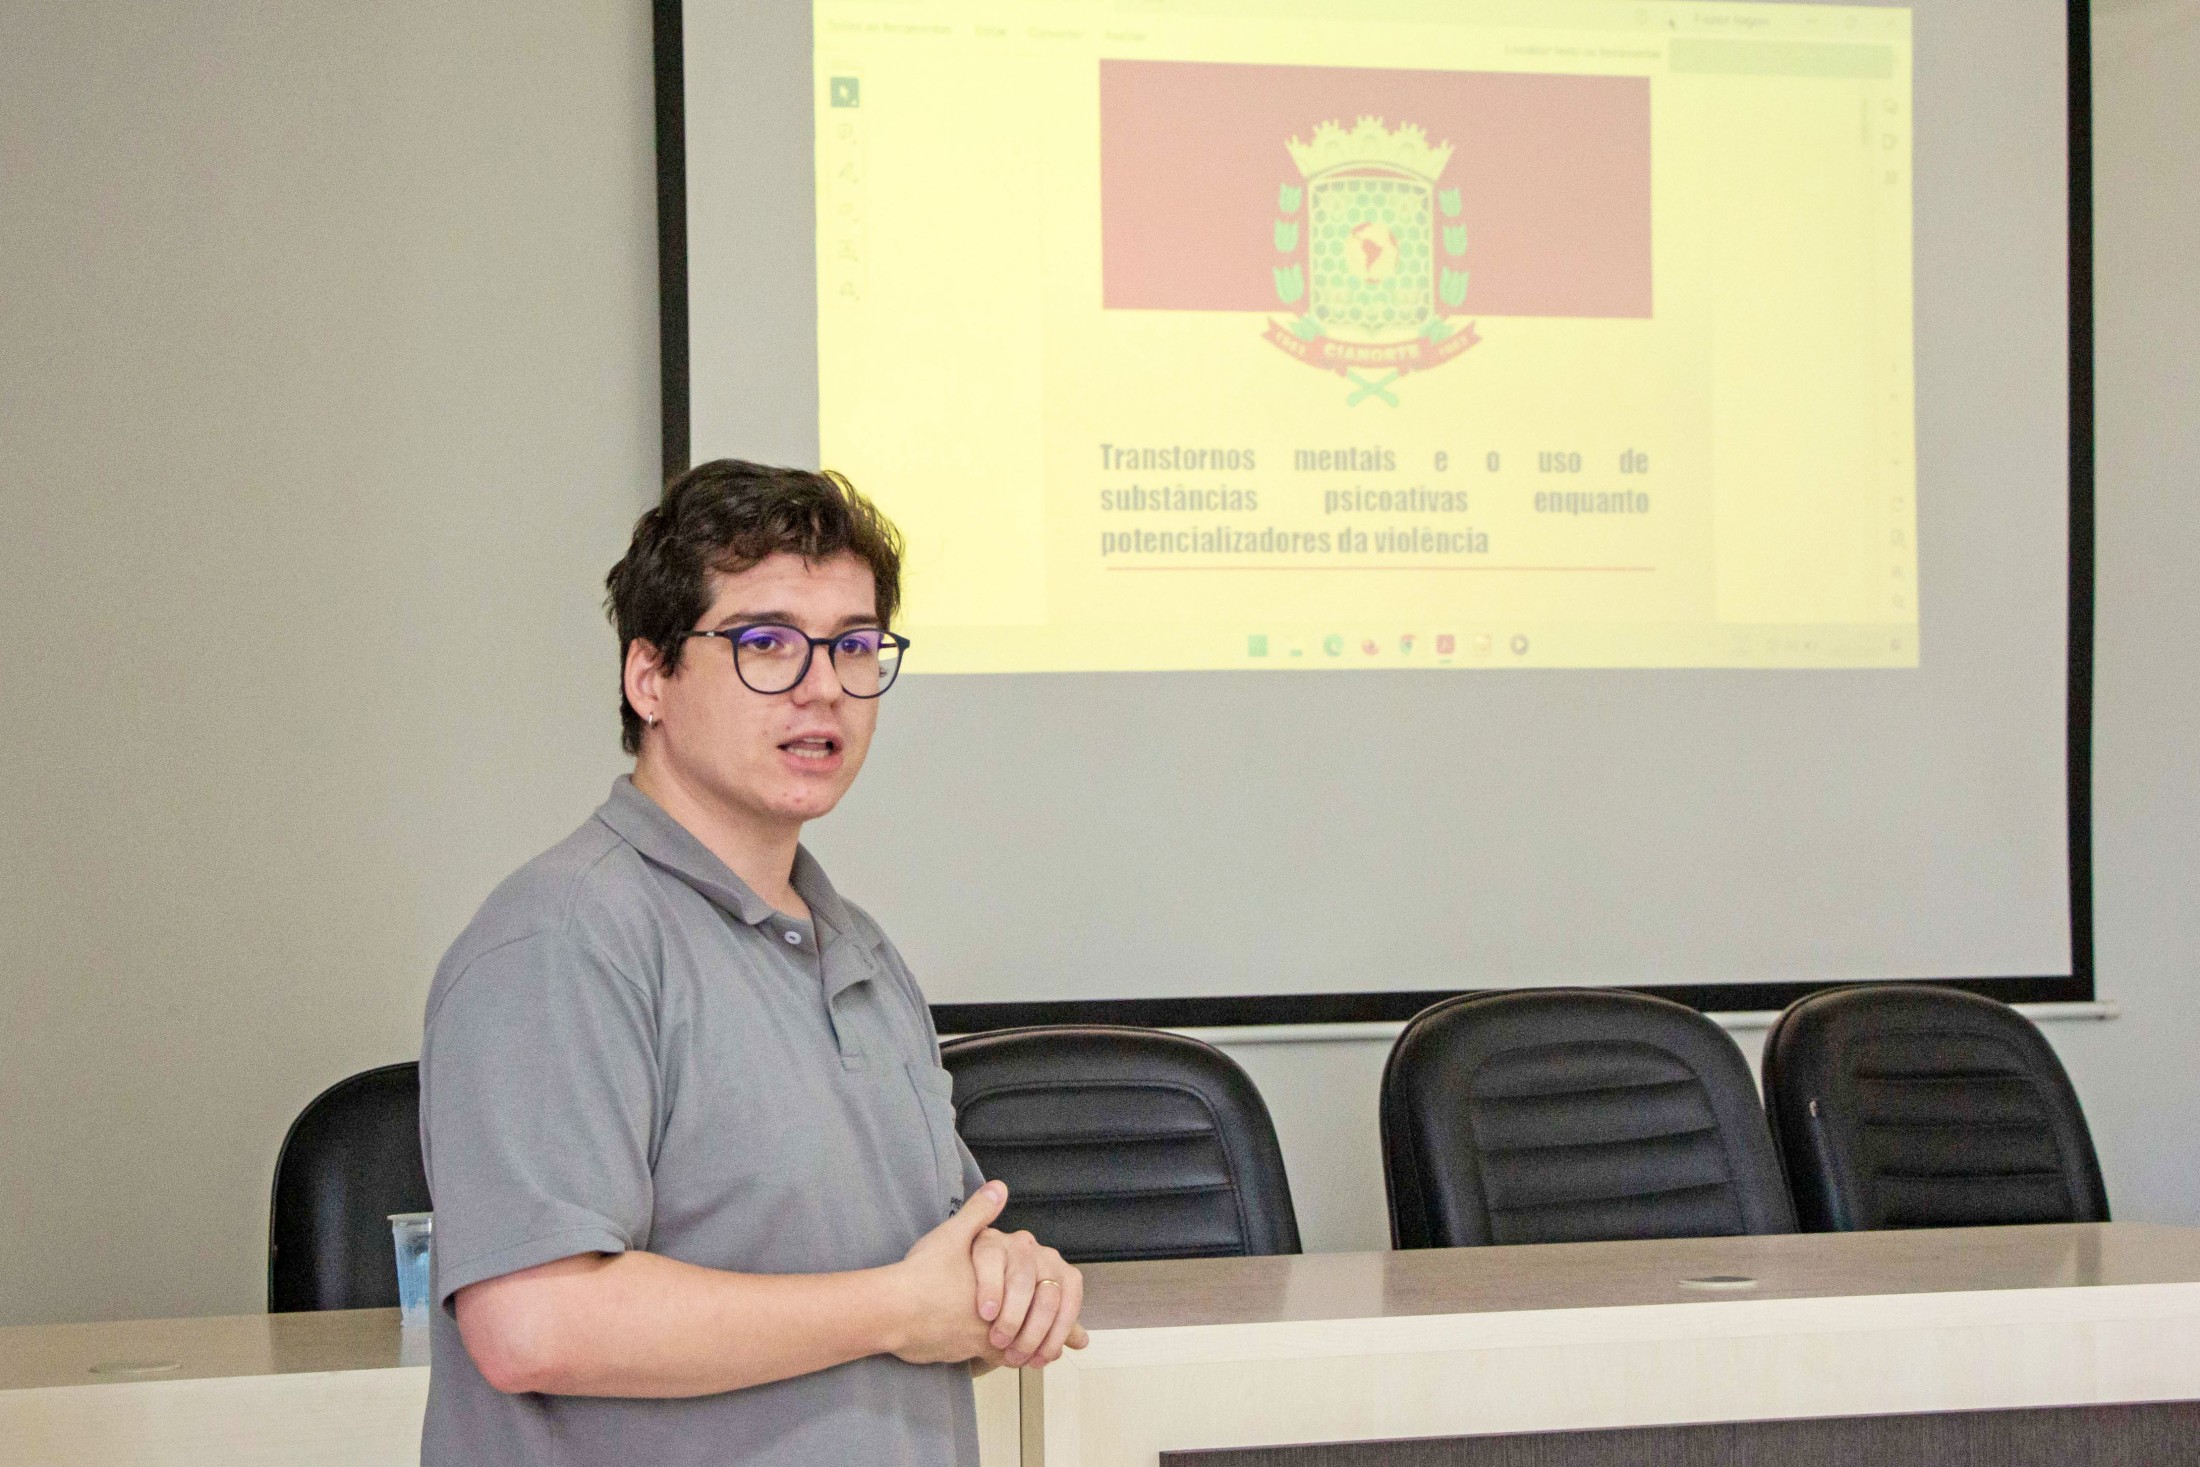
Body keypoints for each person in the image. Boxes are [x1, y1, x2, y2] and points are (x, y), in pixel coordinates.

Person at [417, 461, 1085, 1467]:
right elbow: (533, 1323)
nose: (824, 687)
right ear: (649, 678)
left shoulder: (861, 951)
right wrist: (895, 1308)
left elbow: (921, 1281)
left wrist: (1001, 1282)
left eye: (854, 645)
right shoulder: (563, 939)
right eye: (767, 642)